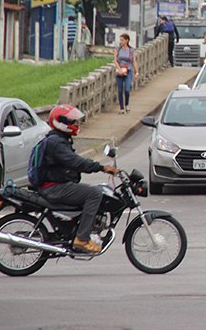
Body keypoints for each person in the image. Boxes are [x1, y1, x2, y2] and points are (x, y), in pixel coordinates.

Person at [37, 104, 119, 254]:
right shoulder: (56, 143)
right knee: (94, 194)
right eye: (72, 122)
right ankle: (82, 238)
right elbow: (76, 162)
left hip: (56, 185)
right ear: (61, 122)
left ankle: (77, 230)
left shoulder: (60, 139)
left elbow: (73, 161)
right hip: (54, 187)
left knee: (91, 191)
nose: (76, 125)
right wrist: (102, 167)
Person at [114, 33, 139, 114]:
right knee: (120, 90)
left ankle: (127, 104)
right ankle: (121, 108)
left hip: (128, 71)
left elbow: (134, 61)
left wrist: (137, 72)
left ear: (127, 40)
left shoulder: (132, 50)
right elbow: (115, 60)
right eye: (120, 40)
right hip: (119, 72)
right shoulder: (117, 49)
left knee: (127, 89)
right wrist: (119, 69)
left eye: (122, 40)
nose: (121, 41)